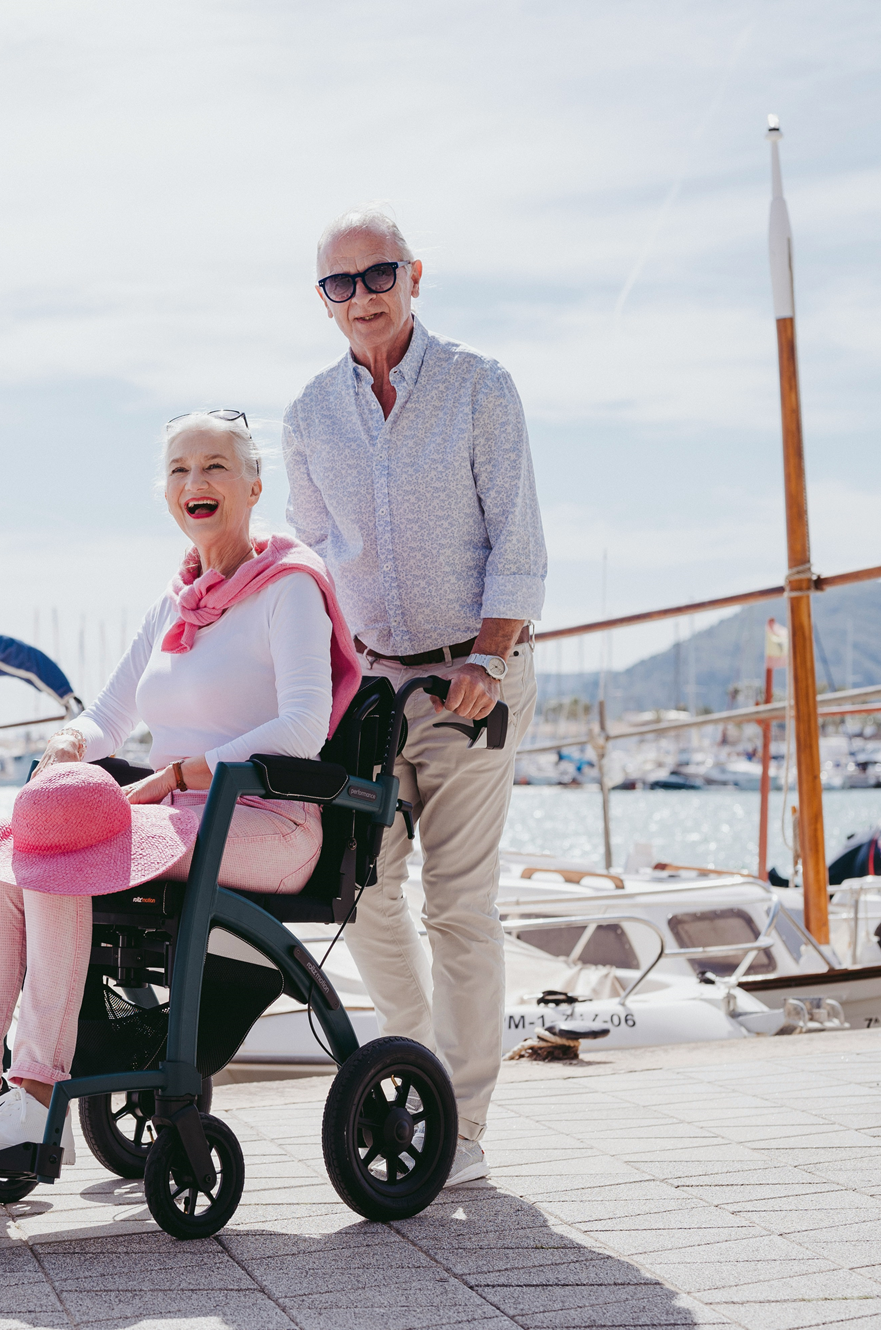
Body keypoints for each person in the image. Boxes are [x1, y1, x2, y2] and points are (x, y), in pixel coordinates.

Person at [0, 409, 362, 1158]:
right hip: (184, 817)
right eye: (181, 470)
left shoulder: (290, 588)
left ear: (252, 486)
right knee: (13, 847)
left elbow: (305, 725)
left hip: (270, 823)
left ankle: (37, 1095)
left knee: (67, 851)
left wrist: (181, 772)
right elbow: (109, 715)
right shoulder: (174, 606)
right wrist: (67, 744)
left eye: (215, 466)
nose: (197, 482)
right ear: (167, 495)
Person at [283, 207, 546, 1185]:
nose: (361, 296)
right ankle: (414, 1060)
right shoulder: (309, 414)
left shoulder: (480, 388)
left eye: (376, 274)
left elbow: (516, 543)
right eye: (338, 284)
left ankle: (460, 1129)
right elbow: (314, 560)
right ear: (322, 299)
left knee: (459, 907)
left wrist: (483, 659)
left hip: (476, 676)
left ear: (414, 275)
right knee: (363, 886)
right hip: (372, 683)